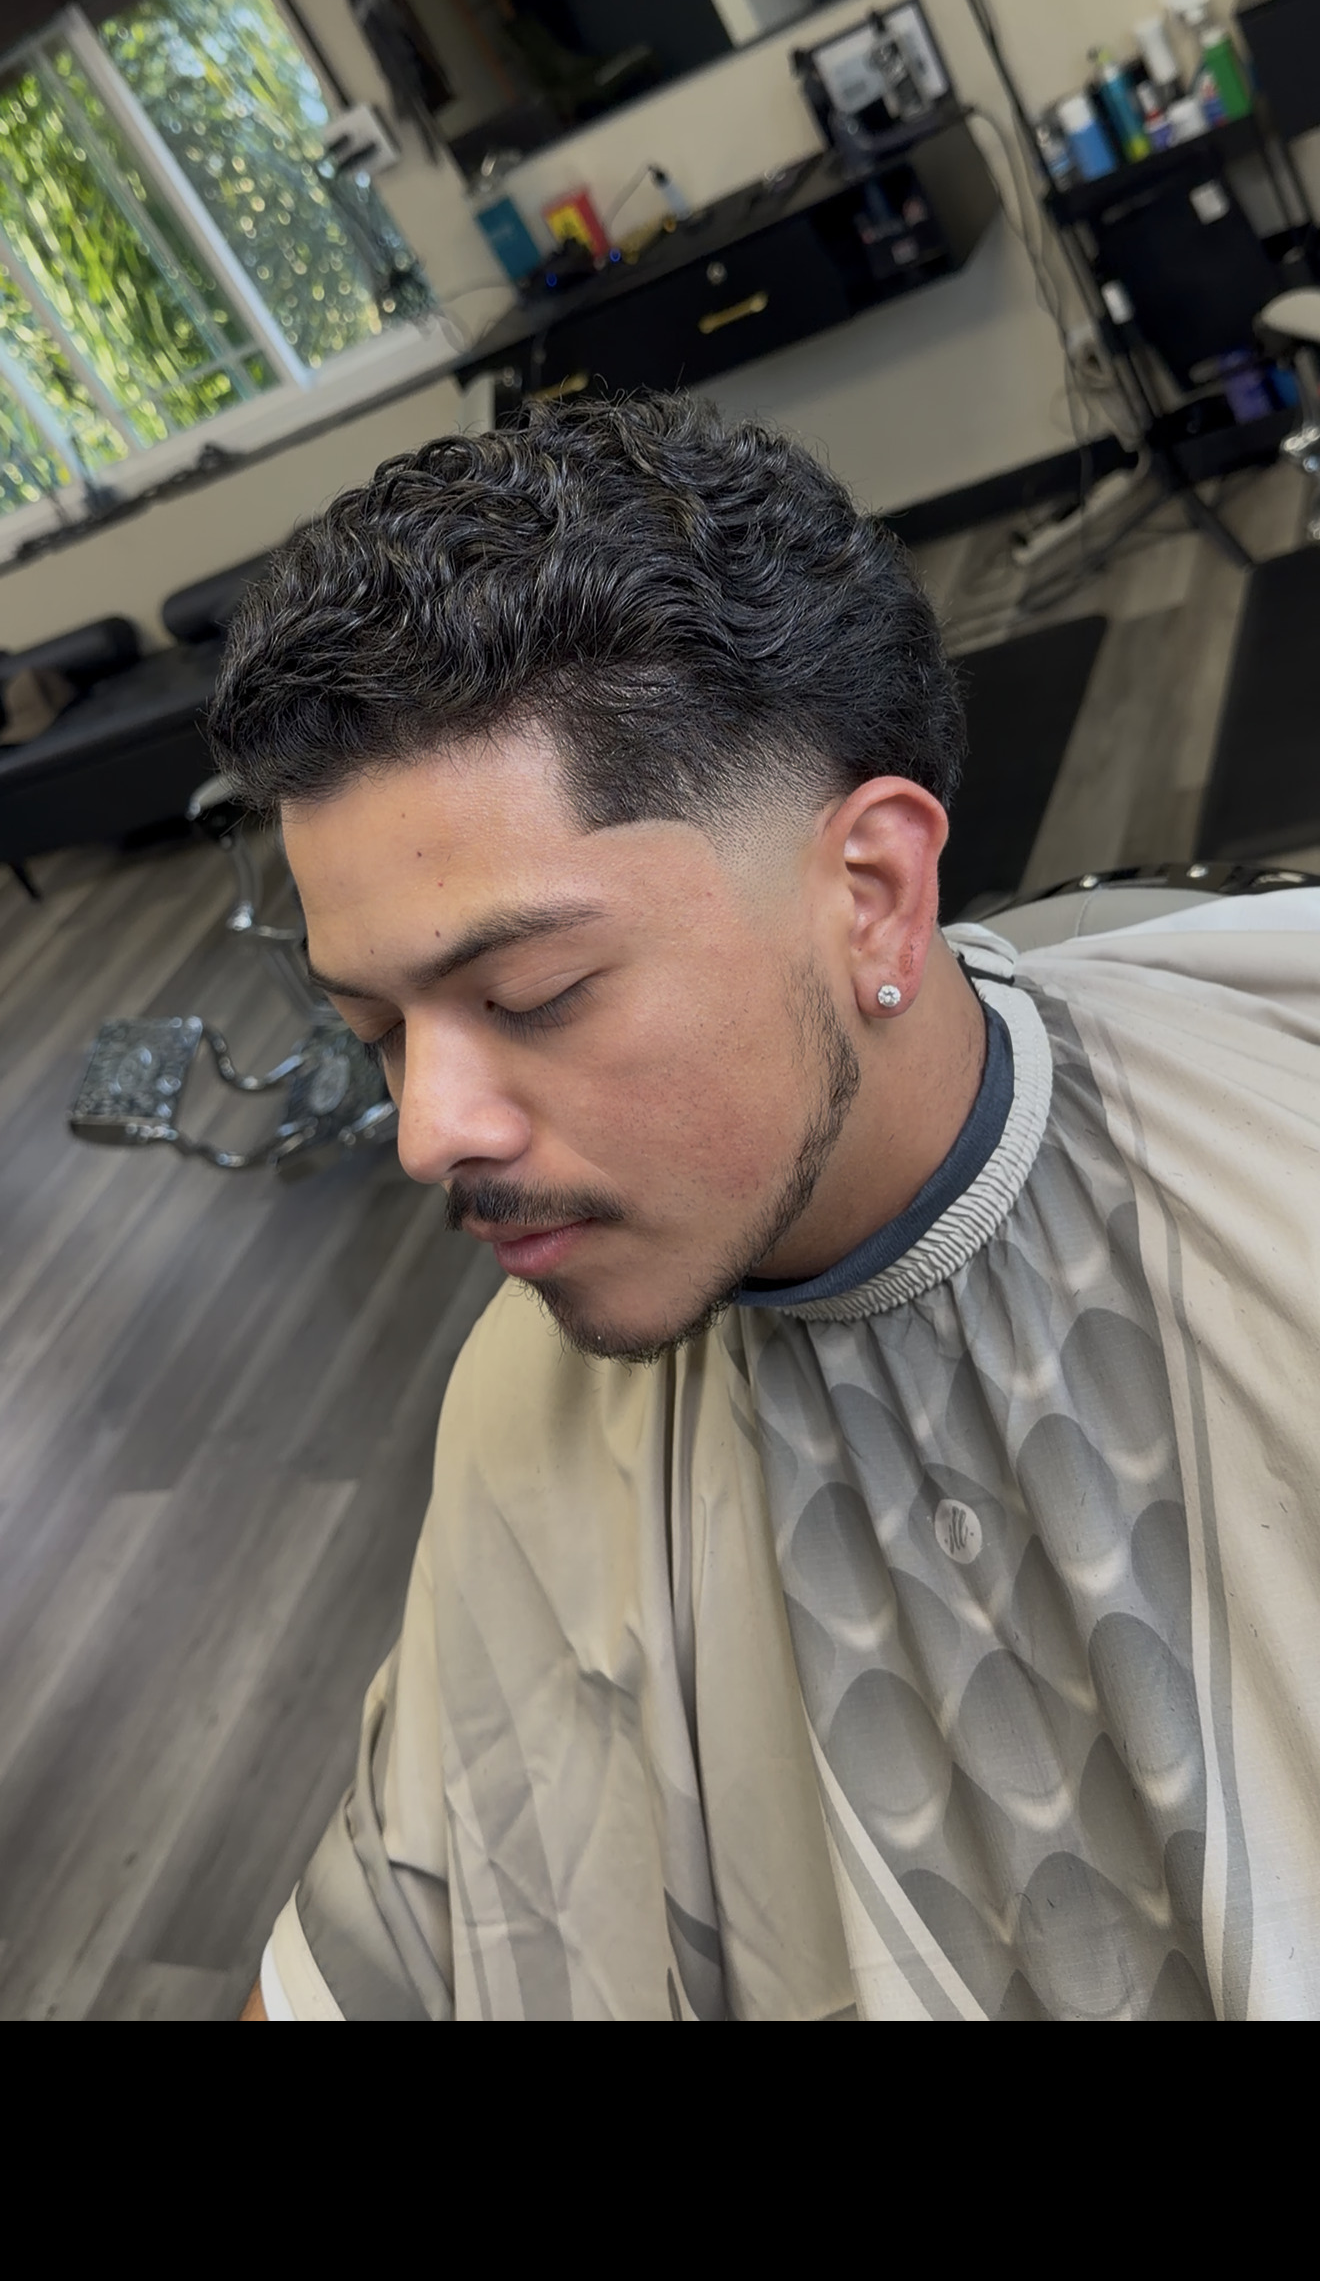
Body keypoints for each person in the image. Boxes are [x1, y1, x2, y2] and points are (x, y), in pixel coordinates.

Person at [210, 393, 1320, 2023]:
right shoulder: (519, 1411)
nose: (428, 1132)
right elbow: (389, 1938)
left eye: (530, 994)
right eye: (375, 1031)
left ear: (871, 894)